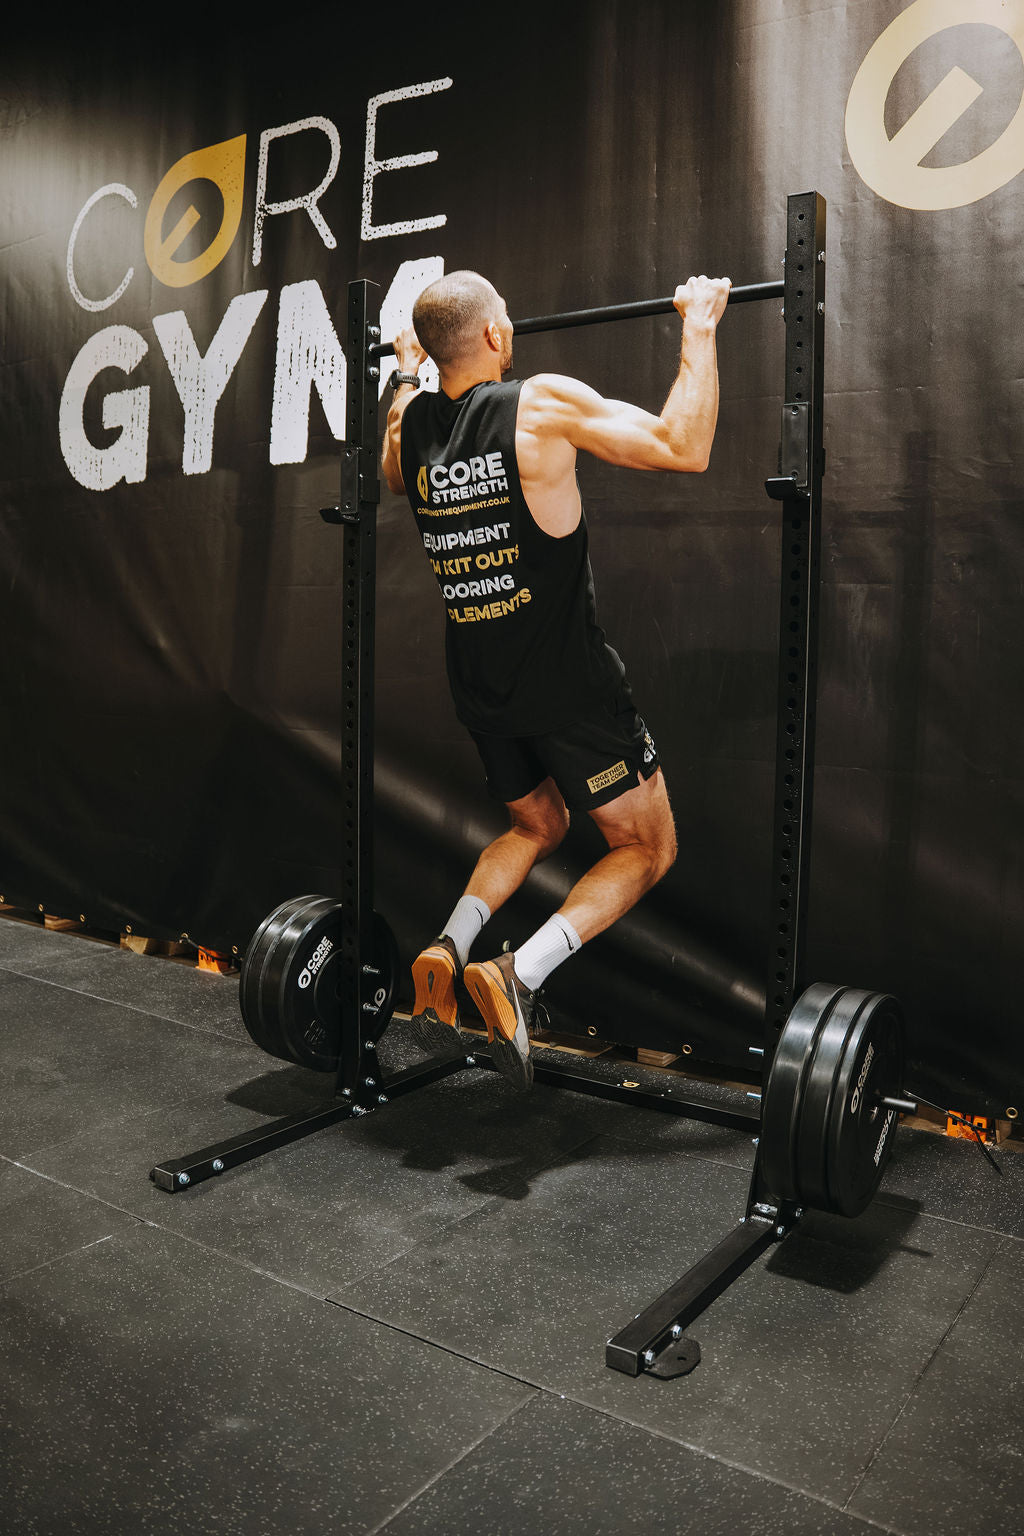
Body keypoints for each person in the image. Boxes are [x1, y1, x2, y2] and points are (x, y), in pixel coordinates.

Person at [381, 268, 730, 1088]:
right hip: (569, 688)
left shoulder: (412, 427)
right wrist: (702, 324)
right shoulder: (536, 405)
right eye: (507, 317)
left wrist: (405, 369)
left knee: (537, 826)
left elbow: (393, 471)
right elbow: (687, 447)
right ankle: (519, 973)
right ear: (498, 336)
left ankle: (450, 944)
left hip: (482, 685)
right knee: (647, 846)